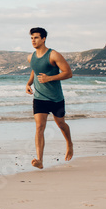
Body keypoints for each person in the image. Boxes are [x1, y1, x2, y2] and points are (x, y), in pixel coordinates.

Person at [25, 27, 73, 169]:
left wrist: (49, 78)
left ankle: (69, 143)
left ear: (44, 38)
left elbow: (68, 73)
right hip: (39, 98)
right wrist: (29, 83)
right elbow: (35, 70)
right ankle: (39, 160)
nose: (33, 40)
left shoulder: (53, 55)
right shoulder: (31, 57)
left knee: (61, 124)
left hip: (56, 98)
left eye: (36, 37)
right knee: (39, 126)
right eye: (32, 38)